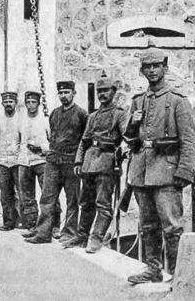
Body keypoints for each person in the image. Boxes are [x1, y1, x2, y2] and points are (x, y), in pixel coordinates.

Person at [125, 47, 195, 284]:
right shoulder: (138, 101)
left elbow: (188, 139)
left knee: (172, 226)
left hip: (166, 172)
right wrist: (133, 129)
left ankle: (178, 275)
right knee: (147, 224)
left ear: (165, 68)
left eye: (157, 66)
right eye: (148, 66)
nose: (152, 70)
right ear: (142, 70)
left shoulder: (177, 101)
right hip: (141, 171)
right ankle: (152, 269)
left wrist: (185, 170)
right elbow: (129, 137)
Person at [25, 81, 88, 245]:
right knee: (47, 198)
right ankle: (43, 233)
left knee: (72, 200)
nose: (63, 96)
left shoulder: (81, 114)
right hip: (53, 162)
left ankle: (69, 232)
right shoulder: (54, 113)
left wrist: (79, 162)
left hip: (71, 162)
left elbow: (85, 140)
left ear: (74, 93)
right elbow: (52, 137)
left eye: (67, 92)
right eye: (61, 93)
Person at [72, 75, 127, 253]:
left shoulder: (120, 114)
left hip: (106, 161)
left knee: (103, 203)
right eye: (100, 91)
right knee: (86, 202)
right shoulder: (93, 116)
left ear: (113, 92)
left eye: (106, 91)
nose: (102, 94)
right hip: (89, 162)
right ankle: (81, 236)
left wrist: (122, 152)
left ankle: (96, 239)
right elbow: (84, 140)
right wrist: (79, 161)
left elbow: (127, 136)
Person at [18, 90, 57, 238]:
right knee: (27, 196)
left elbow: (53, 142)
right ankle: (32, 225)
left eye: (33, 102)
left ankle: (53, 226)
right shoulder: (21, 121)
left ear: (38, 104)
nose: (30, 105)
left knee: (48, 194)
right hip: (24, 161)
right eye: (28, 102)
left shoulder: (45, 120)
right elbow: (18, 140)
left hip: (42, 161)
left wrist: (41, 148)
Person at [0, 90, 21, 231]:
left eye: (11, 102)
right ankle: (8, 222)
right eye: (6, 102)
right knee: (5, 193)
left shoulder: (21, 118)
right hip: (2, 161)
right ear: (2, 103)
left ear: (15, 103)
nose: (8, 104)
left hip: (17, 160)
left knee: (21, 191)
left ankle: (22, 221)